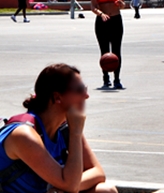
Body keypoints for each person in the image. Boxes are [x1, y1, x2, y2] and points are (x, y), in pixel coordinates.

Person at [0, 64, 117, 193]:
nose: (86, 96)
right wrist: (76, 133)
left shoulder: (65, 127)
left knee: (106, 190)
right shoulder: (24, 134)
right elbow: (71, 186)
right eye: (79, 90)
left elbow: (98, 173)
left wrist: (59, 188)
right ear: (57, 97)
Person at [90, 0, 126, 89]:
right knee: (104, 52)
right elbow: (93, 6)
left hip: (116, 20)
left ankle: (117, 79)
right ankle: (106, 78)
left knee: (117, 51)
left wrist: (121, 4)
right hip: (103, 22)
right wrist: (101, 14)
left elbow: (123, 4)